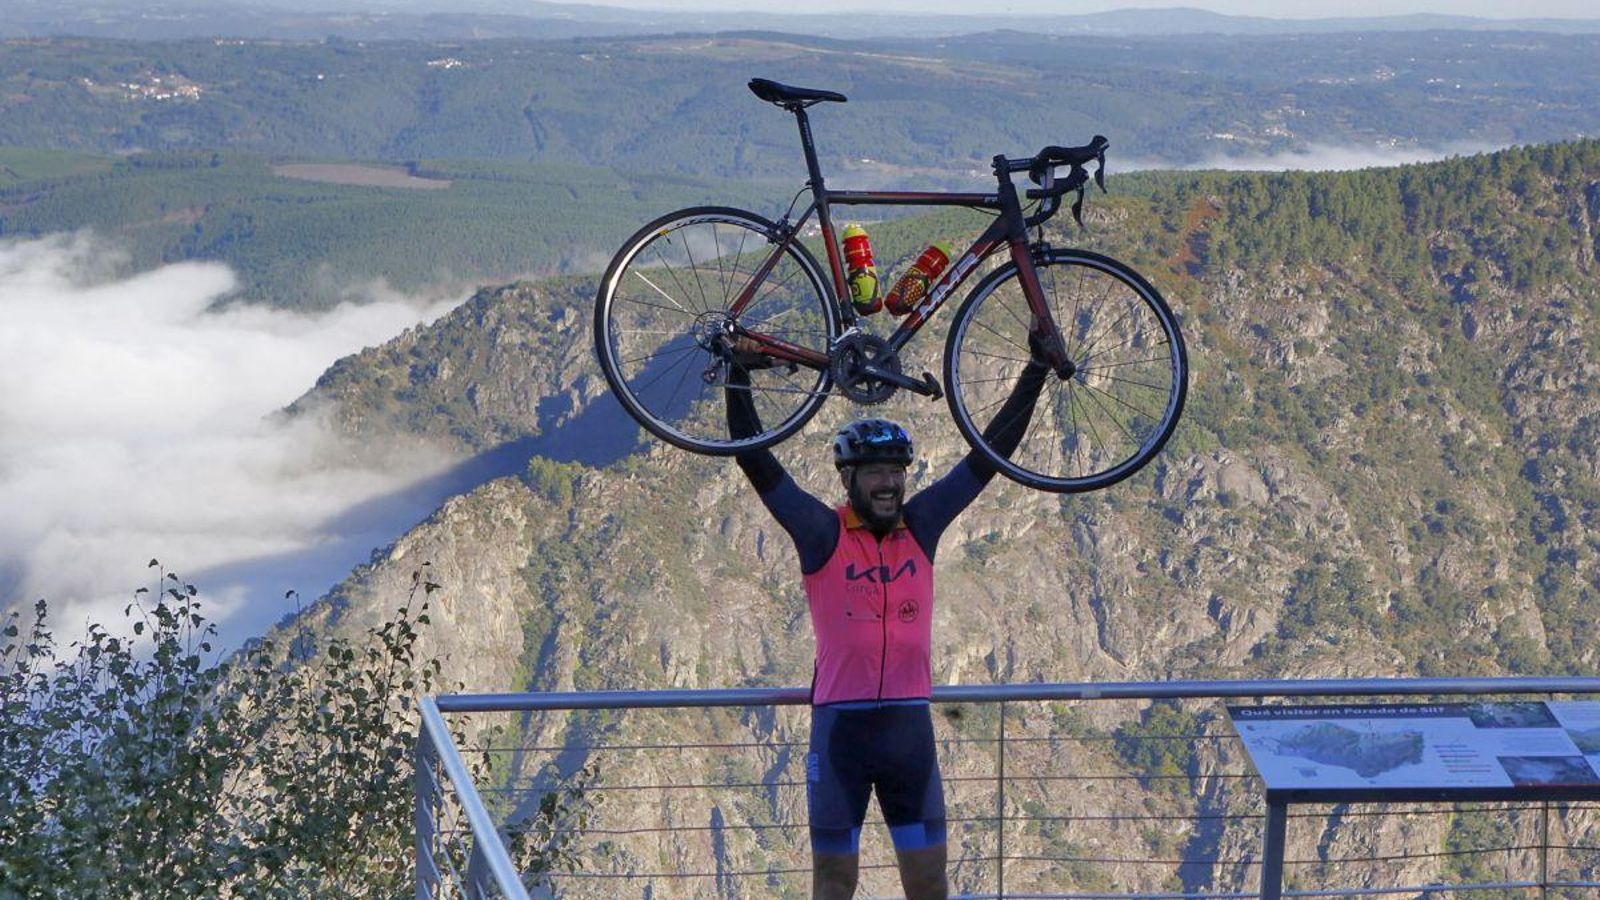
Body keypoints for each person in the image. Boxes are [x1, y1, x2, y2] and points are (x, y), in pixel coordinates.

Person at [724, 342, 1048, 900]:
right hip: (840, 736)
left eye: (896, 471)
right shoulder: (821, 533)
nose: (888, 483)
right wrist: (737, 378)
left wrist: (1037, 370)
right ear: (848, 479)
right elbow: (756, 462)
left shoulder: (921, 526)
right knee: (832, 885)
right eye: (874, 471)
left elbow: (988, 456)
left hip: (908, 734)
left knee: (928, 886)